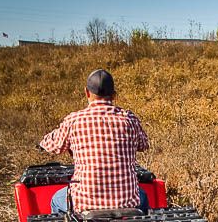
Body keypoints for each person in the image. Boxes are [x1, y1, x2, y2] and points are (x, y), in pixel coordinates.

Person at [40, 69, 151, 214]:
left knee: (56, 199)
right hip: (127, 202)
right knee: (142, 197)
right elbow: (144, 145)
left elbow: (55, 145)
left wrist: (43, 142)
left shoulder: (74, 120)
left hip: (85, 202)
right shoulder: (129, 119)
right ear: (114, 95)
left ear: (86, 92)